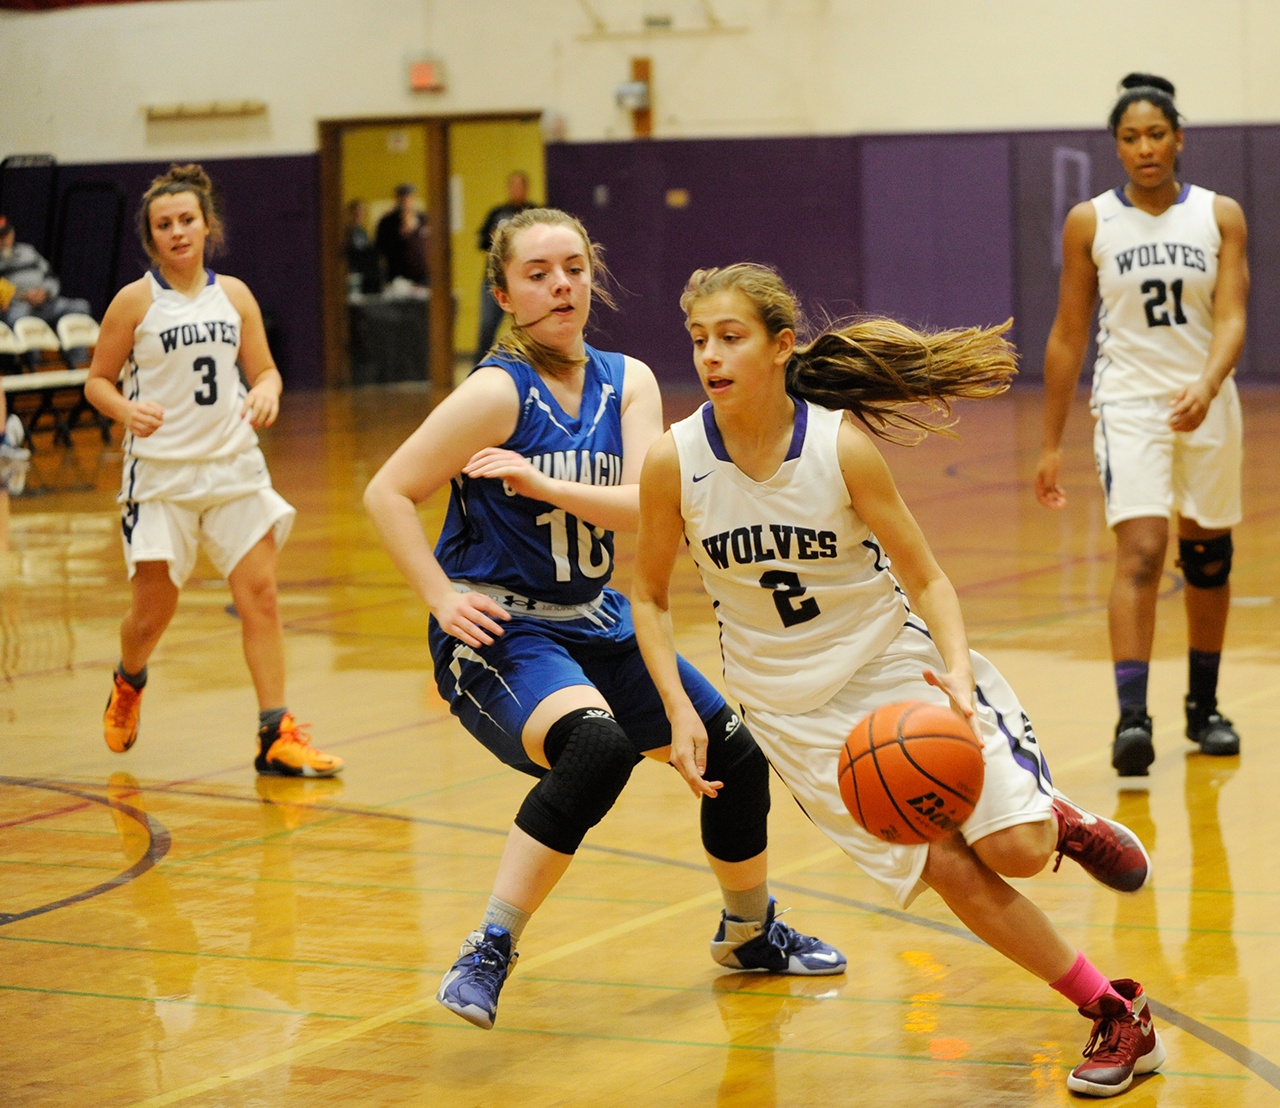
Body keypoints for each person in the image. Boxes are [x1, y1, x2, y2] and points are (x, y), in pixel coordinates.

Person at [630, 262, 1165, 1098]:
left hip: (893, 669)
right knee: (948, 869)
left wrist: (954, 669)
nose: (710, 356)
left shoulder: (839, 446)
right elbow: (649, 598)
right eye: (699, 340)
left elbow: (930, 578)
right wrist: (679, 708)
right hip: (796, 717)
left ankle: (1054, 822)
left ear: (780, 347)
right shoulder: (676, 460)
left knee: (1016, 852)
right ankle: (1114, 1011)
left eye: (730, 338)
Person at [363, 209, 844, 1034]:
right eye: (540, 273)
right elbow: (386, 492)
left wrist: (545, 485)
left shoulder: (630, 380)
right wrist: (442, 596)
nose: (561, 286)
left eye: (575, 269)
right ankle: (488, 948)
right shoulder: (493, 393)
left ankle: (749, 932)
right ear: (506, 294)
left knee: (732, 748)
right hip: (505, 631)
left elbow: (643, 506)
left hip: (598, 618)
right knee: (596, 746)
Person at [82, 163, 342, 778]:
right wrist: (124, 407)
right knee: (153, 614)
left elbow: (267, 370)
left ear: (207, 226)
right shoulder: (135, 302)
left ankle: (275, 732)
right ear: (151, 238)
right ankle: (129, 678)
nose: (177, 232)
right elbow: (96, 381)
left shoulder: (237, 296)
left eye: (187, 220)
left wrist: (268, 393)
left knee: (262, 596)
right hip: (162, 476)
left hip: (231, 467)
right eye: (164, 225)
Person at [1035, 73, 1248, 776]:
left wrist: (1209, 383)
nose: (1145, 147)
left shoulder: (1220, 215)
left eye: (1157, 133)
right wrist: (1049, 443)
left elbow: (1233, 316)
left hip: (1208, 401)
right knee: (1144, 551)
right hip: (1128, 404)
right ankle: (1133, 720)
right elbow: (1068, 334)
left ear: (1179, 138)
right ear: (1118, 148)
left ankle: (1205, 708)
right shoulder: (1091, 221)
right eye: (1131, 137)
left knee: (1208, 557)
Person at [0, 213, 94, 369]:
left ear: (12, 232)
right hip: (18, 307)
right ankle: (34, 368)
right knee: (21, 318)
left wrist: (45, 292)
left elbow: (51, 277)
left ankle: (78, 365)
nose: (3, 239)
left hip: (46, 302)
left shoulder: (28, 251)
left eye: (6, 234)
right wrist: (22, 297)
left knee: (79, 307)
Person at [474, 171, 535, 361]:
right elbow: (481, 241)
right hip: (494, 279)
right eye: (513, 185)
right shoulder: (497, 212)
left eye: (520, 185)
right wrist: (493, 239)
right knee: (487, 325)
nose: (516, 190)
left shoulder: (534, 213)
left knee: (528, 325)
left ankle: (532, 365)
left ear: (526, 188)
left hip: (526, 279)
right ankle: (479, 368)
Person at [374, 184, 428, 287]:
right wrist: (401, 235)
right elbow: (380, 249)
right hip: (397, 278)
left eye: (409, 198)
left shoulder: (424, 219)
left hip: (423, 278)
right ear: (397, 199)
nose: (406, 202)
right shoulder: (387, 222)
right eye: (402, 199)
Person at [343, 198, 382, 295]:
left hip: (365, 276)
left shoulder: (363, 232)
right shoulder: (344, 233)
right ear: (349, 213)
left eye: (361, 212)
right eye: (355, 212)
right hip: (352, 275)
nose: (358, 215)